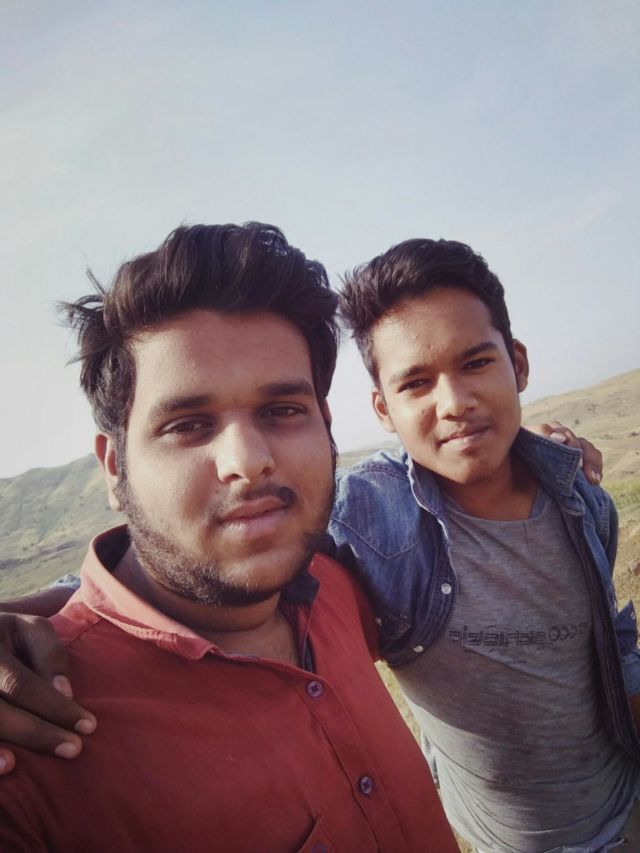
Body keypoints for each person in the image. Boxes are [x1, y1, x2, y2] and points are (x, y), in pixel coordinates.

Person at [0, 223, 459, 852]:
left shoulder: (337, 584)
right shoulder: (35, 733)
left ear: (326, 426)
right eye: (188, 424)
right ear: (114, 468)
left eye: (282, 411)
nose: (248, 460)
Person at [328, 237, 640, 851]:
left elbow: (612, 641)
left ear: (516, 364)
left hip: (625, 805)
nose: (455, 403)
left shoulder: (584, 500)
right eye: (416, 383)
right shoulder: (369, 521)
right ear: (384, 409)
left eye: (475, 364)